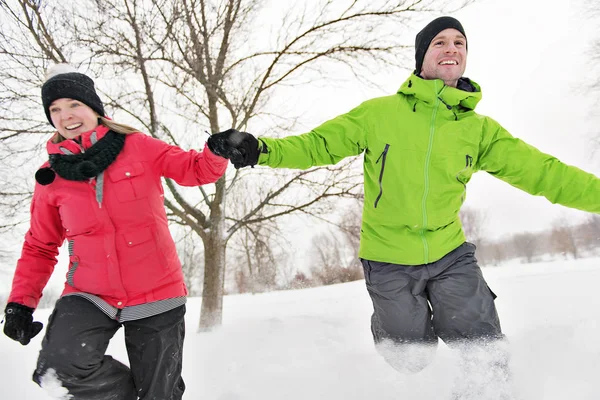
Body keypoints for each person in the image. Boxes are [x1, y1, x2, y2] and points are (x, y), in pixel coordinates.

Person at [207, 16, 600, 398]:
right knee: (411, 357)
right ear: (422, 56)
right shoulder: (379, 114)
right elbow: (318, 144)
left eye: (459, 43)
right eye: (440, 42)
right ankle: (391, 330)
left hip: (450, 254)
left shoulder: (479, 131)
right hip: (388, 258)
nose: (451, 49)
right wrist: (261, 149)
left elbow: (545, 173)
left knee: (482, 346)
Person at [2, 64, 228, 399]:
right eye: (55, 110)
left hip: (156, 290)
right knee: (58, 370)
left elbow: (195, 170)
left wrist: (218, 151)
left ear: (93, 107)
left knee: (159, 393)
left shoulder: (138, 146)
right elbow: (40, 245)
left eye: (73, 105)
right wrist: (21, 303)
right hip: (90, 292)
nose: (65, 116)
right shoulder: (50, 177)